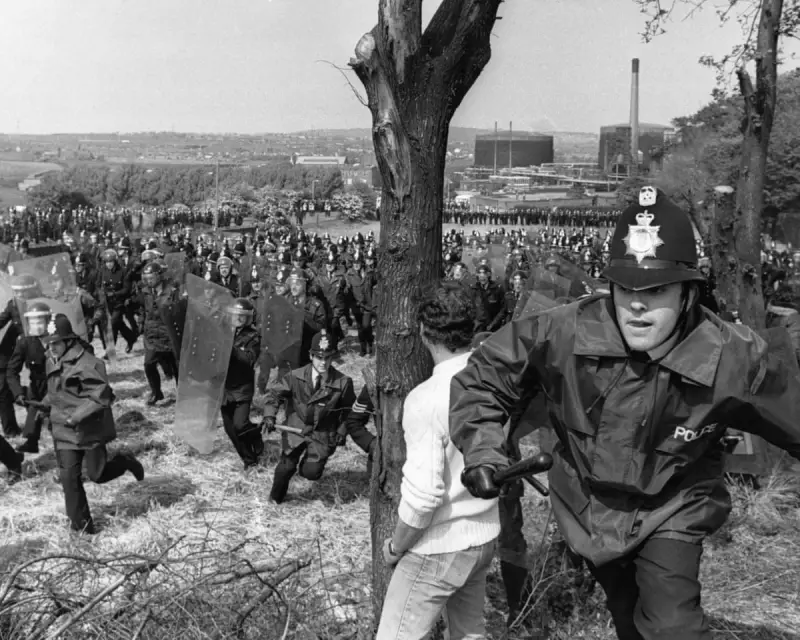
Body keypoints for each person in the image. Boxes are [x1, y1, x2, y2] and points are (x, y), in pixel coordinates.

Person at [449, 187, 800, 640]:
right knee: (628, 619)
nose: (637, 304)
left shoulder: (735, 357)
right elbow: (483, 377)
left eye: (657, 290)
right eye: (625, 288)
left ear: (689, 293)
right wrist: (483, 452)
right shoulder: (562, 331)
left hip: (673, 504)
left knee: (673, 626)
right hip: (589, 510)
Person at [375, 285, 499, 640]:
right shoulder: (491, 379)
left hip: (438, 544)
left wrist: (397, 547)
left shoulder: (427, 399)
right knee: (469, 634)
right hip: (483, 535)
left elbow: (424, 496)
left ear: (422, 332)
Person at [43, 314, 145, 534]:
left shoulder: (87, 363)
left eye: (56, 343)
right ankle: (83, 529)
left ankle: (125, 462)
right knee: (69, 479)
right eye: (49, 343)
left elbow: (101, 395)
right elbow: (56, 393)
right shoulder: (50, 360)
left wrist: (76, 416)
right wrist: (40, 406)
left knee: (97, 475)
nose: (51, 348)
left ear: (69, 341)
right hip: (63, 432)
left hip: (88, 430)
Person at [262, 330, 356, 504]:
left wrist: (342, 430)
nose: (323, 362)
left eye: (328, 358)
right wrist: (269, 415)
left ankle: (308, 465)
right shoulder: (295, 376)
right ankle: (275, 499)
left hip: (322, 432)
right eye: (319, 357)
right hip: (296, 427)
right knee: (286, 467)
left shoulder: (342, 382)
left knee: (311, 472)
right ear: (311, 356)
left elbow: (349, 410)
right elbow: (274, 395)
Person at [222, 298, 263, 470]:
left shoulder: (253, 336)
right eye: (234, 315)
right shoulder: (222, 332)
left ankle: (255, 434)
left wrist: (230, 348)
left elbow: (249, 359)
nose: (237, 319)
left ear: (248, 318)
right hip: (223, 387)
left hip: (242, 387)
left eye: (241, 316)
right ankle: (249, 460)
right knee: (230, 429)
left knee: (241, 425)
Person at [137, 262, 181, 406]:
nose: (149, 281)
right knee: (149, 364)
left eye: (151, 277)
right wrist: (141, 322)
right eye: (147, 278)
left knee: (176, 367)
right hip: (152, 334)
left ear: (159, 276)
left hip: (169, 334)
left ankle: (182, 394)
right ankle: (156, 392)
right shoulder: (145, 292)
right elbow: (143, 310)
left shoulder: (172, 291)